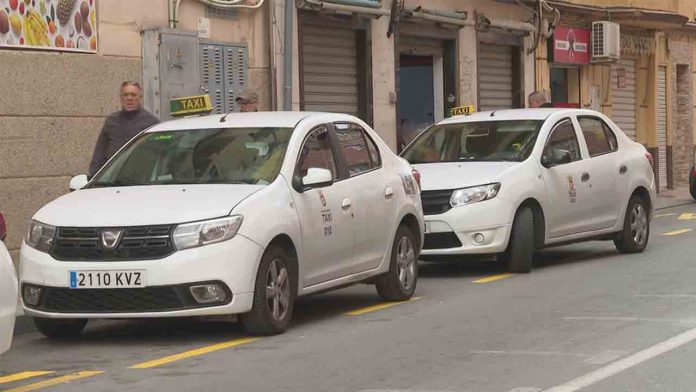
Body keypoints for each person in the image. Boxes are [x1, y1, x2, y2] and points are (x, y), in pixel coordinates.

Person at [89, 81, 160, 176]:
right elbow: (99, 154)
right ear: (121, 97)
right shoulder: (111, 121)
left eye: (133, 95)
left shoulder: (151, 122)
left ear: (140, 97)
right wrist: (95, 176)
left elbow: (159, 155)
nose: (129, 98)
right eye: (125, 95)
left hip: (141, 179)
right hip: (112, 180)